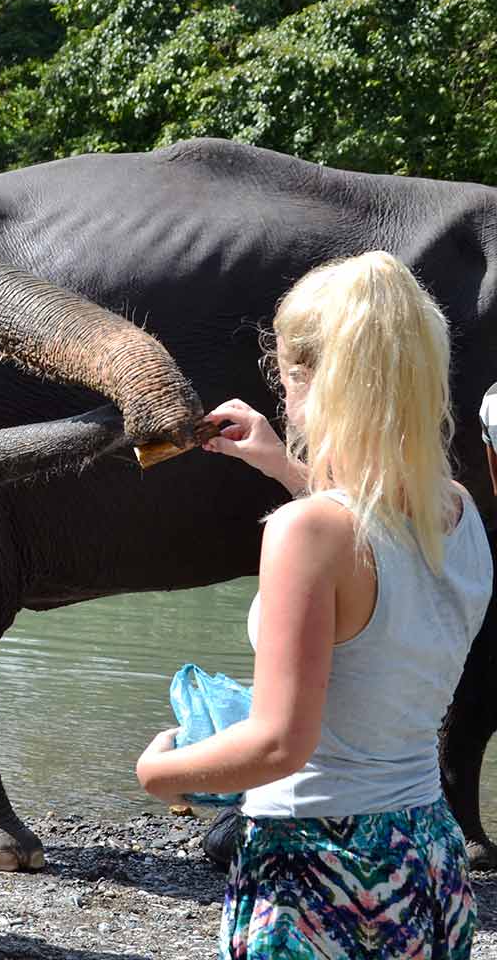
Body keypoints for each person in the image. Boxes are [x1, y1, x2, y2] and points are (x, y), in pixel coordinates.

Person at [134, 251, 489, 959]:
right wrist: (279, 464)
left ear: (318, 383)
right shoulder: (457, 511)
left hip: (318, 866)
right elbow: (377, 556)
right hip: (425, 851)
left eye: (289, 379)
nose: (286, 400)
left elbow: (277, 745)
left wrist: (159, 772)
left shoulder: (307, 532)